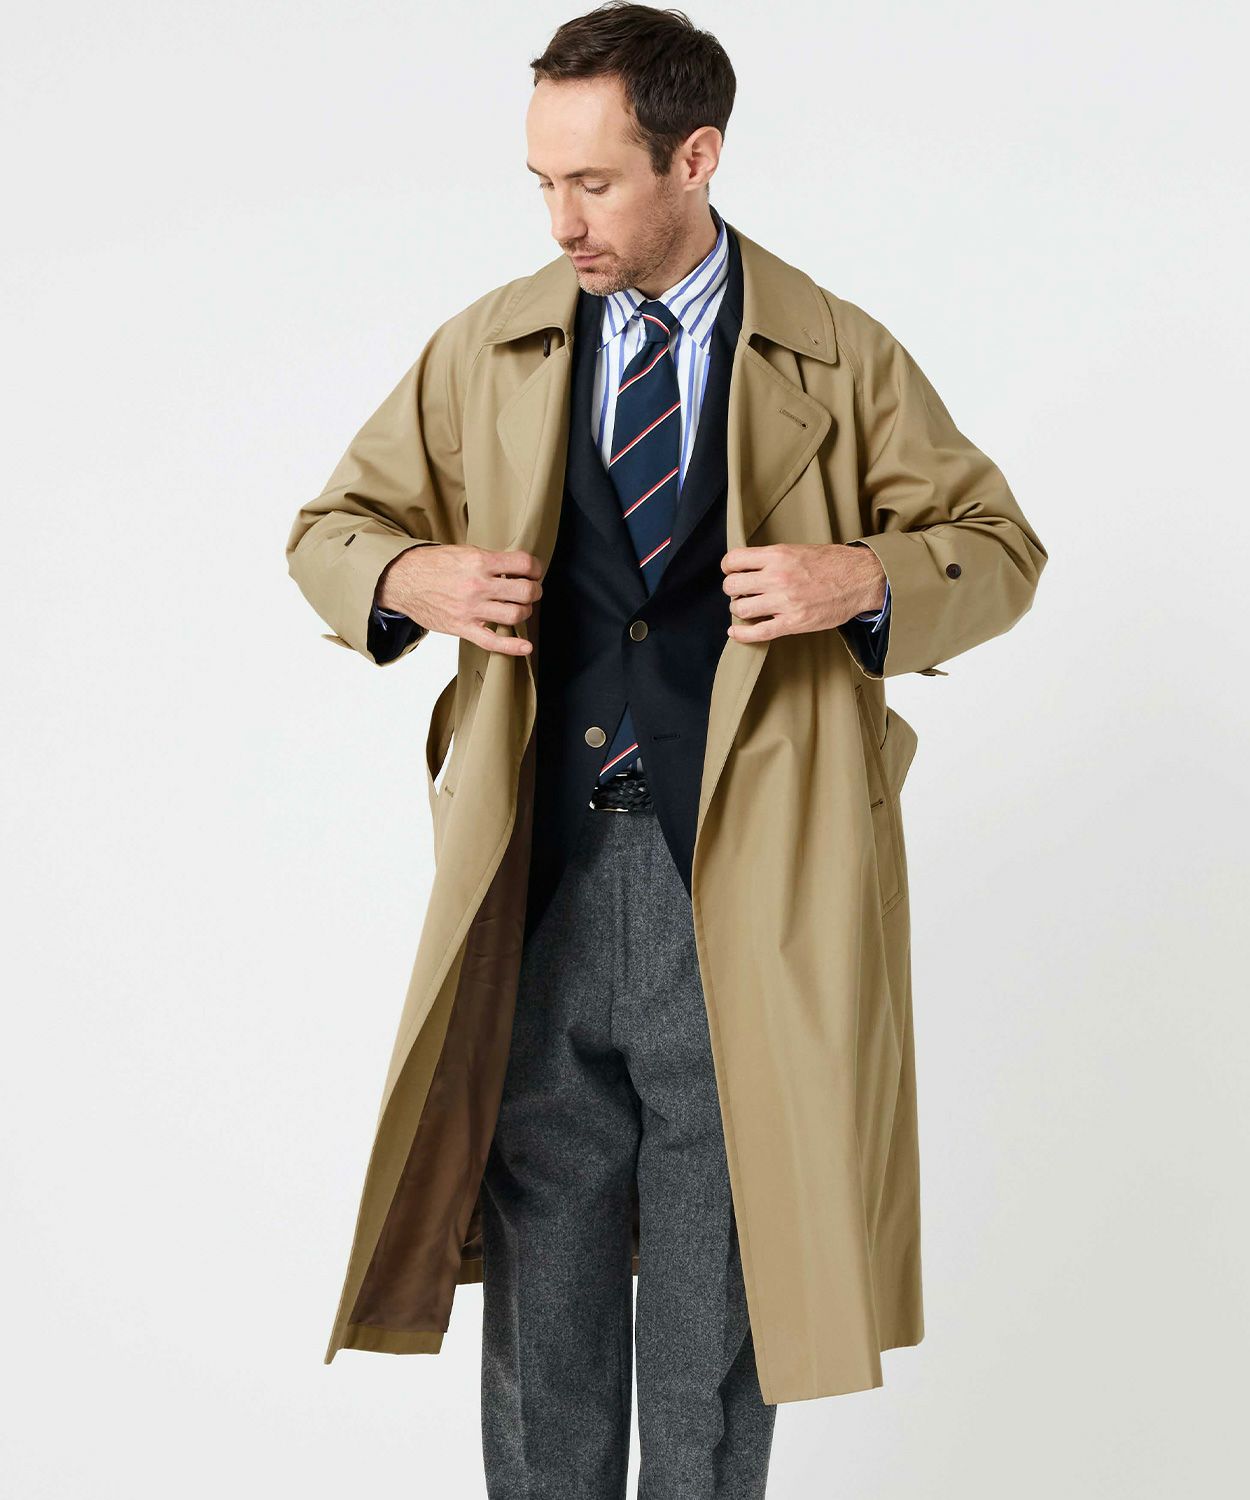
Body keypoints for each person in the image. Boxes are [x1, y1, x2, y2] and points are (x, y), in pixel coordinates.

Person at [285, 6, 1047, 1497]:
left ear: (695, 160)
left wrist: (865, 577)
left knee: (718, 1307)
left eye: (594, 183)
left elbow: (997, 546)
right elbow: (331, 530)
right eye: (541, 183)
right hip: (544, 878)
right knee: (545, 1303)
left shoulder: (838, 354)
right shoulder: (488, 348)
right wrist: (408, 577)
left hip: (748, 892)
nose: (560, 221)